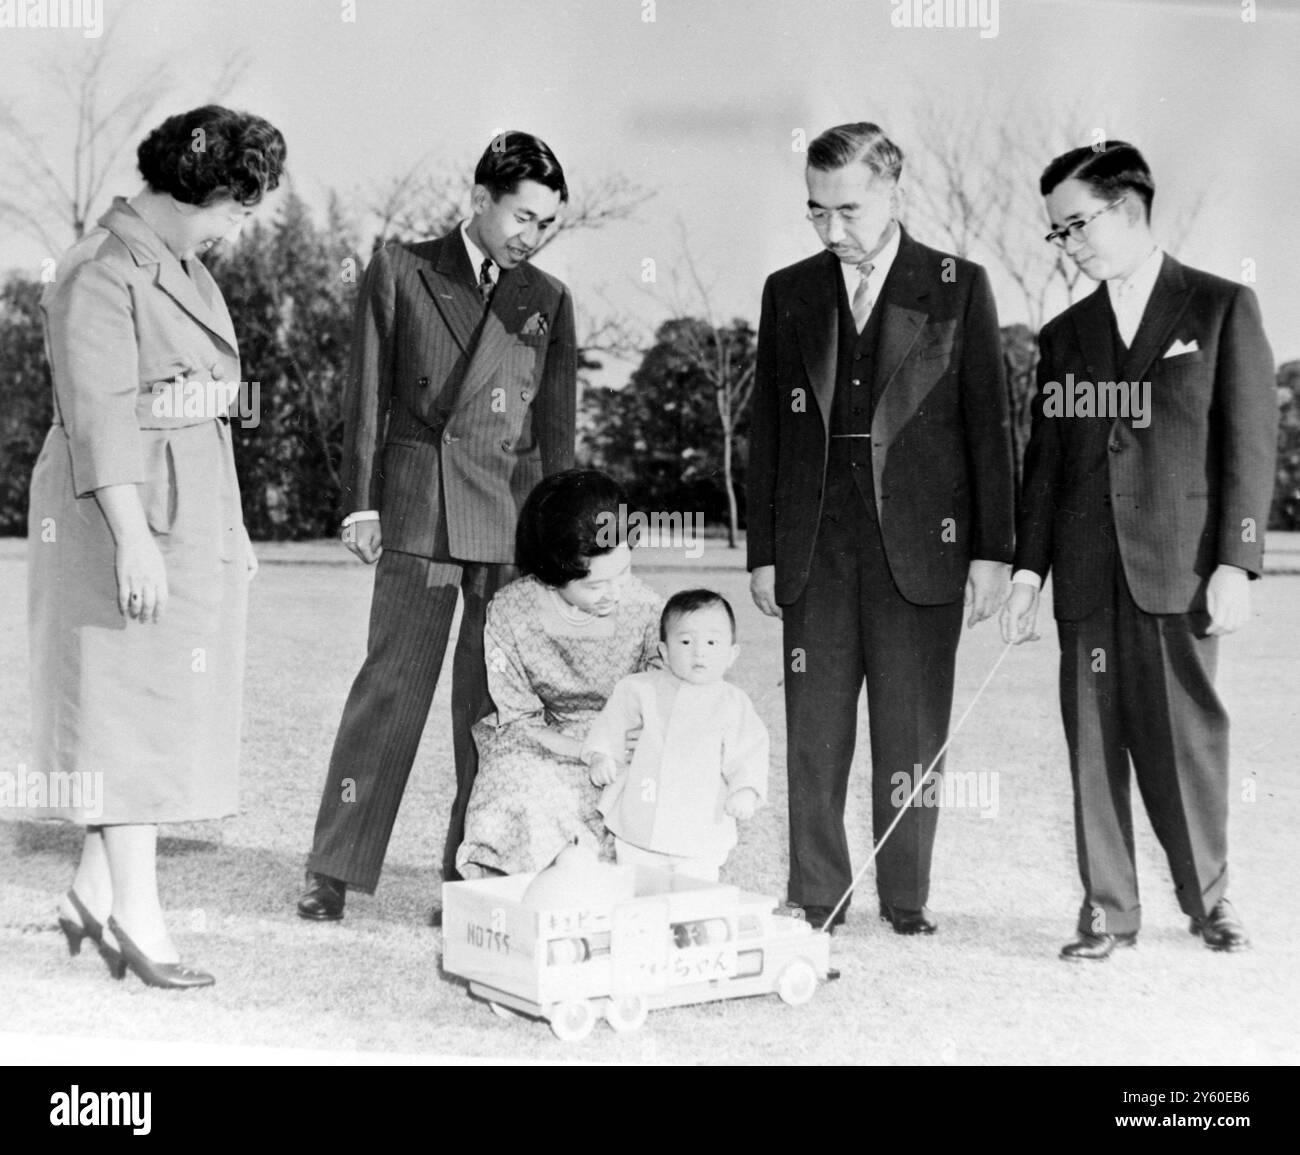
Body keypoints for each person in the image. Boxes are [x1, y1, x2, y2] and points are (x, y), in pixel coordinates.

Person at [1001, 141, 1276, 961]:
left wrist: (1237, 559)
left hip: (1179, 567)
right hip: (1085, 574)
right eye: (1056, 232)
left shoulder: (1222, 307)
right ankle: (1107, 909)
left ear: (1126, 209)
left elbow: (1250, 442)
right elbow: (1044, 462)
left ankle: (1211, 900)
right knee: (1091, 747)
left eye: (1075, 224)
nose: (1067, 243)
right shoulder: (1064, 334)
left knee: (1185, 740)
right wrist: (1025, 572)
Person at [29, 105, 284, 988]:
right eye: (233, 210)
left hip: (186, 502)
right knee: (129, 712)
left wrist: (237, 525)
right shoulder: (100, 270)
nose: (235, 229)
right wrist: (134, 540)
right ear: (194, 189)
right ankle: (138, 919)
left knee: (155, 702)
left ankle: (92, 894)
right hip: (119, 508)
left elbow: (211, 409)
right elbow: (99, 418)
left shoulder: (179, 265)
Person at [298, 132, 578, 921]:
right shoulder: (402, 266)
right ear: (480, 199)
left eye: (547, 224)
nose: (533, 234)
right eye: (523, 215)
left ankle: (475, 876)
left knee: (492, 708)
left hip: (513, 521)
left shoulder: (548, 299)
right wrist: (361, 499)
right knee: (389, 690)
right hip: (420, 507)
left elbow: (559, 431)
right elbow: (367, 391)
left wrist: (560, 536)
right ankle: (334, 866)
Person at [747, 122, 1015, 935]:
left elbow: (990, 427)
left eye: (850, 210)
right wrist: (763, 550)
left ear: (896, 192)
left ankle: (907, 897)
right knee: (814, 734)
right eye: (816, 212)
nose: (833, 230)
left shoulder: (957, 284)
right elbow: (768, 431)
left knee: (913, 735)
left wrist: (993, 552)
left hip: (925, 551)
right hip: (814, 549)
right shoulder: (787, 290)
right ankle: (818, 894)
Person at [455, 470, 664, 877]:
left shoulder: (648, 609)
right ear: (554, 573)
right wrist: (582, 751)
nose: (617, 592)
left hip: (622, 745)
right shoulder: (511, 611)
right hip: (542, 742)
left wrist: (620, 743)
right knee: (520, 785)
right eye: (597, 585)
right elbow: (518, 719)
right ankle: (515, 896)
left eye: (624, 572)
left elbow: (659, 702)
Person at [582, 589, 768, 883]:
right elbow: (612, 725)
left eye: (711, 642)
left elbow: (749, 751)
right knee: (637, 889)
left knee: (696, 894)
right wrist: (601, 755)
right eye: (685, 641)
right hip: (642, 817)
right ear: (665, 651)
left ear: (732, 654)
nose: (699, 651)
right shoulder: (638, 689)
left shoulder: (734, 702)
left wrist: (745, 789)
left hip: (700, 820)